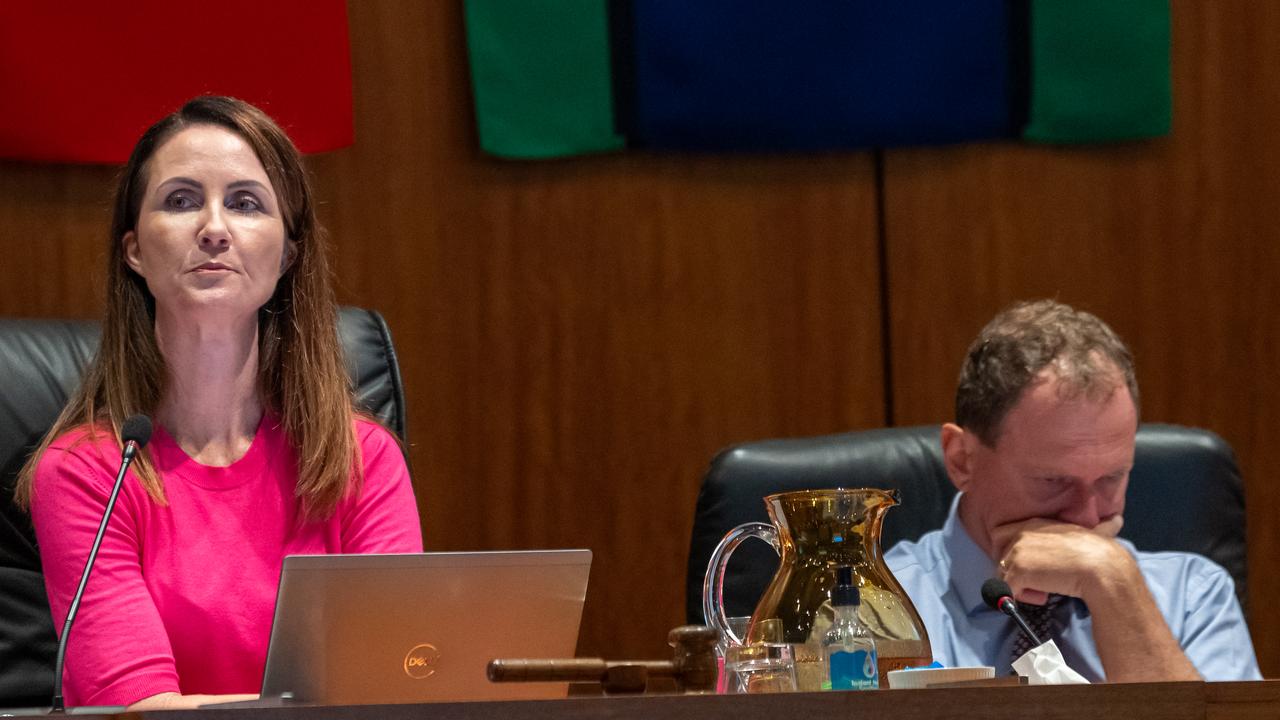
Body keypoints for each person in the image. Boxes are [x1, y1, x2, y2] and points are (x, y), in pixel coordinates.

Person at [14, 96, 423, 710]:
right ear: (133, 251)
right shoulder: (85, 473)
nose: (213, 227)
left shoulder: (362, 458)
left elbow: (401, 684)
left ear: (286, 254)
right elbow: (138, 707)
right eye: (180, 200)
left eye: (245, 202)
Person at [885, 300, 1260, 682]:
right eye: (1053, 482)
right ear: (962, 460)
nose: (1086, 516)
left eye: (1111, 478)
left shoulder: (1194, 598)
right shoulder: (876, 614)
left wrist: (1112, 584)